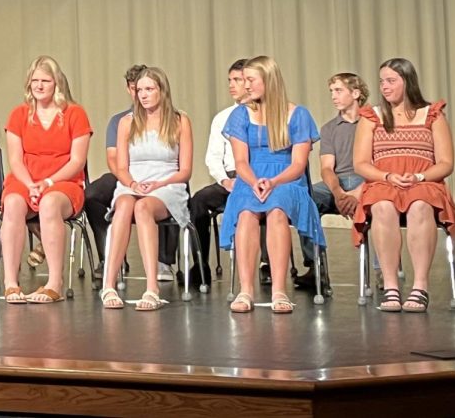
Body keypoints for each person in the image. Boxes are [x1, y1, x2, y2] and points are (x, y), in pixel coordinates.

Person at [221, 56, 323, 314]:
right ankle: (246, 290)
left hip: (286, 178)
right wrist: (255, 181)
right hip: (251, 178)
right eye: (244, 80)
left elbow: (299, 164)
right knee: (246, 213)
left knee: (277, 210)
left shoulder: (297, 115)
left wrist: (274, 181)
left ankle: (279, 289)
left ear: (268, 80)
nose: (246, 86)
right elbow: (241, 160)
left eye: (251, 80)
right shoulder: (240, 115)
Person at [353, 58, 455, 313]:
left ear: (407, 82)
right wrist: (387, 176)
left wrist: (420, 177)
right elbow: (361, 163)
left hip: (424, 181)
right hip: (383, 180)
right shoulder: (372, 116)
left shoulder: (432, 114)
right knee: (382, 205)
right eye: (382, 81)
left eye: (391, 81)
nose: (384, 87)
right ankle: (391, 286)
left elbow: (446, 163)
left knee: (421, 204)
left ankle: (420, 286)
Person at [0, 56, 91, 304]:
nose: (39, 86)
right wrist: (30, 185)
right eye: (34, 81)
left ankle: (54, 283)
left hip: (64, 182)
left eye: (45, 81)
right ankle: (10, 283)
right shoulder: (19, 115)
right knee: (14, 204)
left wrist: (48, 183)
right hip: (26, 178)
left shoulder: (75, 113)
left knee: (50, 204)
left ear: (57, 83)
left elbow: (77, 162)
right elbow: (16, 160)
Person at [99, 67, 192, 310]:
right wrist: (131, 184)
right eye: (140, 90)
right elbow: (121, 166)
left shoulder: (180, 121)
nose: (143, 95)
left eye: (149, 89)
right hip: (133, 182)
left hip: (167, 185)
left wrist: (158, 185)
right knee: (126, 204)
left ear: (162, 90)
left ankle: (152, 287)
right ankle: (108, 284)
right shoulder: (126, 123)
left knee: (142, 208)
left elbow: (185, 171)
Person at [297, 72, 369, 287]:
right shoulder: (329, 128)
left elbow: (380, 165)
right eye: (331, 92)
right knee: (306, 199)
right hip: (338, 182)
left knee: (379, 199)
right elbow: (327, 168)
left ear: (355, 93)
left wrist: (357, 193)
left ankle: (383, 269)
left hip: (367, 181)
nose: (333, 96)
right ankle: (315, 266)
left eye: (338, 91)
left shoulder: (374, 123)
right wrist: (338, 193)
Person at [186, 59, 248, 285]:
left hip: (255, 178)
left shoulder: (263, 115)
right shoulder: (222, 118)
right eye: (230, 80)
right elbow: (213, 156)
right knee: (199, 201)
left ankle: (266, 264)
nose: (232, 85)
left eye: (237, 80)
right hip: (229, 178)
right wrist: (224, 180)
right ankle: (201, 264)